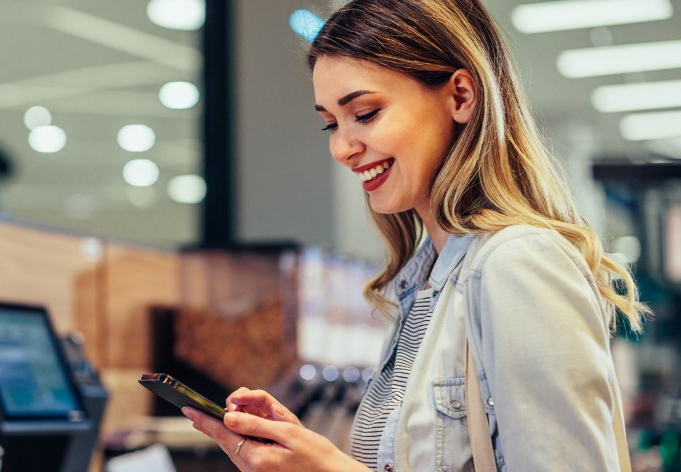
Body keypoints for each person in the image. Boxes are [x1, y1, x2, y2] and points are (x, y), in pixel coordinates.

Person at [182, 0, 649, 470]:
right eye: (331, 123)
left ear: (461, 97)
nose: (341, 148)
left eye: (365, 113)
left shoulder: (518, 263)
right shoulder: (424, 281)